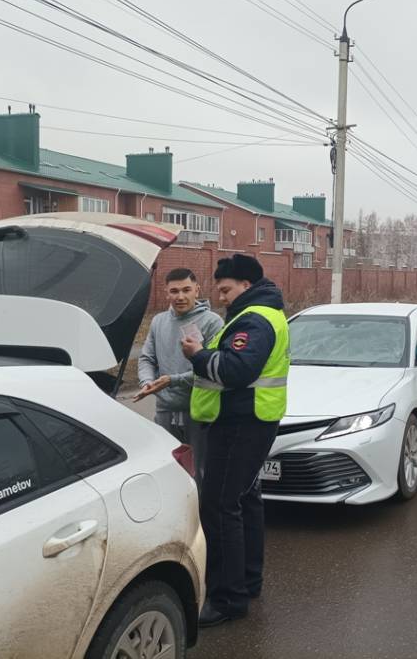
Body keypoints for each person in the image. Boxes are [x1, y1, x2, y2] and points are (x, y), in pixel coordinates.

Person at [152, 254, 289, 627]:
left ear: (245, 285)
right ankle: (247, 581)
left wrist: (198, 355)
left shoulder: (255, 319)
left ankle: (227, 599)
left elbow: (235, 369)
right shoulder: (264, 313)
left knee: (219, 506)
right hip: (250, 419)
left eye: (226, 290)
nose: (223, 296)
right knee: (245, 500)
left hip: (241, 422)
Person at [135, 268, 223, 482]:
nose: (180, 296)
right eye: (174, 291)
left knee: (201, 474)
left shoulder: (213, 322)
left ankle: (202, 515)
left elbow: (214, 369)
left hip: (199, 413)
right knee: (169, 472)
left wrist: (171, 380)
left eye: (186, 290)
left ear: (197, 290)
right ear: (166, 292)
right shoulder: (159, 322)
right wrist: (148, 382)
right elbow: (147, 358)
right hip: (165, 411)